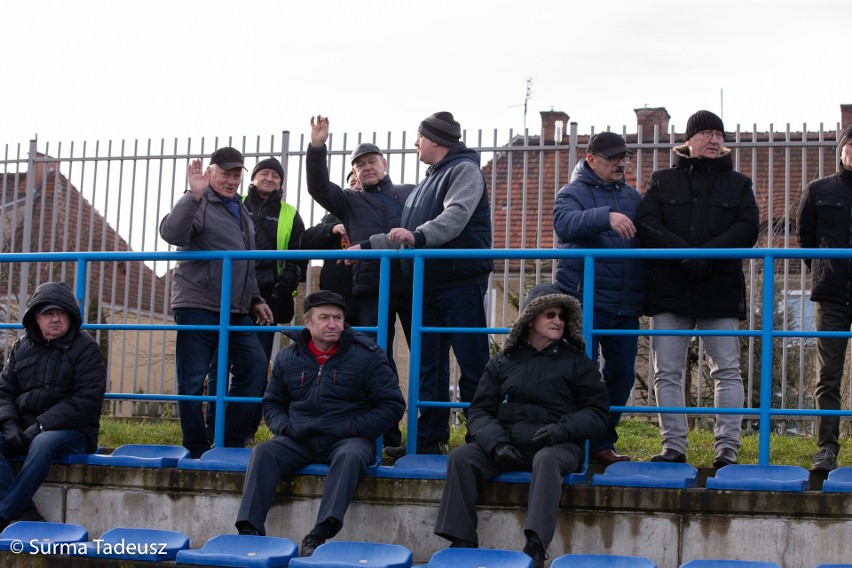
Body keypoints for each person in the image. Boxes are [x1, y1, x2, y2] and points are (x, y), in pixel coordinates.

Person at [433, 284, 608, 568]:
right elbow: (479, 410)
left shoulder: (577, 362)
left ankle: (535, 547)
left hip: (557, 445)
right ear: (531, 318)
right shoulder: (505, 360)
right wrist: (496, 444)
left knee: (547, 460)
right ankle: (462, 541)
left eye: (562, 317)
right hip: (510, 444)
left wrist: (562, 429)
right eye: (550, 314)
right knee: (462, 457)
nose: (558, 321)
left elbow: (598, 412)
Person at [235, 291, 404, 557]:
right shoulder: (288, 357)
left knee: (350, 456)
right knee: (263, 452)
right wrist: (286, 428)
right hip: (299, 438)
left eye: (337, 318)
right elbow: (272, 404)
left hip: (348, 438)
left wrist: (354, 428)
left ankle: (320, 532)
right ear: (308, 323)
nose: (333, 324)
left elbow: (392, 405)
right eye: (324, 318)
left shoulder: (367, 355)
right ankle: (249, 530)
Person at [364, 111, 493, 458]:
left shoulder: (464, 171)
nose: (415, 143)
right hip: (429, 283)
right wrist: (362, 249)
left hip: (459, 279)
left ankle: (482, 435)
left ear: (435, 140)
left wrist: (418, 236)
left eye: (419, 137)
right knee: (429, 364)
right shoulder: (428, 181)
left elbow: (454, 217)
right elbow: (402, 235)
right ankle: (428, 438)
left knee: (472, 361)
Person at [637, 110, 760, 467]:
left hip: (718, 290)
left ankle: (727, 449)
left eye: (719, 134)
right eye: (706, 132)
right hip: (670, 290)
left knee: (727, 370)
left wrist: (706, 256)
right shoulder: (662, 180)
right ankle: (673, 446)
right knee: (667, 371)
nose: (714, 139)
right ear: (688, 140)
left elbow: (748, 228)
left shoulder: (739, 184)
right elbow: (647, 223)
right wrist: (683, 255)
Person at [159, 147, 274, 458]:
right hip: (199, 303)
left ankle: (228, 441)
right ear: (209, 173)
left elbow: (244, 262)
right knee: (193, 378)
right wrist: (193, 196)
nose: (231, 180)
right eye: (225, 173)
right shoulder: (200, 202)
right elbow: (172, 233)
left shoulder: (241, 210)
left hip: (236, 308)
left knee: (254, 364)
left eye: (236, 175)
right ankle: (196, 447)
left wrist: (254, 299)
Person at [553, 131, 646, 466]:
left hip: (626, 303)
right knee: (583, 375)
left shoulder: (634, 197)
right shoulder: (572, 192)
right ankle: (578, 445)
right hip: (585, 301)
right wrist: (605, 216)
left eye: (624, 158)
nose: (620, 164)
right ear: (591, 160)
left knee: (621, 374)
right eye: (613, 158)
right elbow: (563, 224)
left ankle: (602, 442)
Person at [206, 156, 308, 444]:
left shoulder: (290, 213)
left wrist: (275, 293)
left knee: (256, 365)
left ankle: (245, 430)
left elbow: (297, 259)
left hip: (268, 301)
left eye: (275, 176)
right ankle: (214, 429)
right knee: (220, 364)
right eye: (264, 173)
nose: (269, 178)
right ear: (251, 179)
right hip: (231, 297)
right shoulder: (233, 204)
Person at [306, 116, 414, 376]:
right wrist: (317, 147)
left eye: (371, 161)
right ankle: (385, 413)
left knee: (424, 352)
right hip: (372, 287)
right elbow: (318, 187)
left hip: (412, 283)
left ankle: (430, 417)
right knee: (375, 356)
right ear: (354, 173)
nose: (367, 167)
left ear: (383, 164)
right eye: (360, 164)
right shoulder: (348, 200)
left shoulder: (411, 191)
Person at [0, 281, 106, 529]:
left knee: (43, 442)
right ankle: (25, 513)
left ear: (70, 316)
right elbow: (4, 392)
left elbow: (87, 401)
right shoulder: (20, 348)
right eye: (48, 313)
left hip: (74, 432)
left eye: (61, 313)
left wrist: (41, 426)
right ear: (36, 317)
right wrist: (9, 424)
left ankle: (4, 515)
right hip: (27, 428)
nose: (55, 319)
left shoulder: (86, 347)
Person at [795, 124, 852, 472]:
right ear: (843, 150)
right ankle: (826, 449)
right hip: (831, 296)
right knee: (827, 376)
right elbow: (805, 240)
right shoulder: (818, 190)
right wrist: (825, 271)